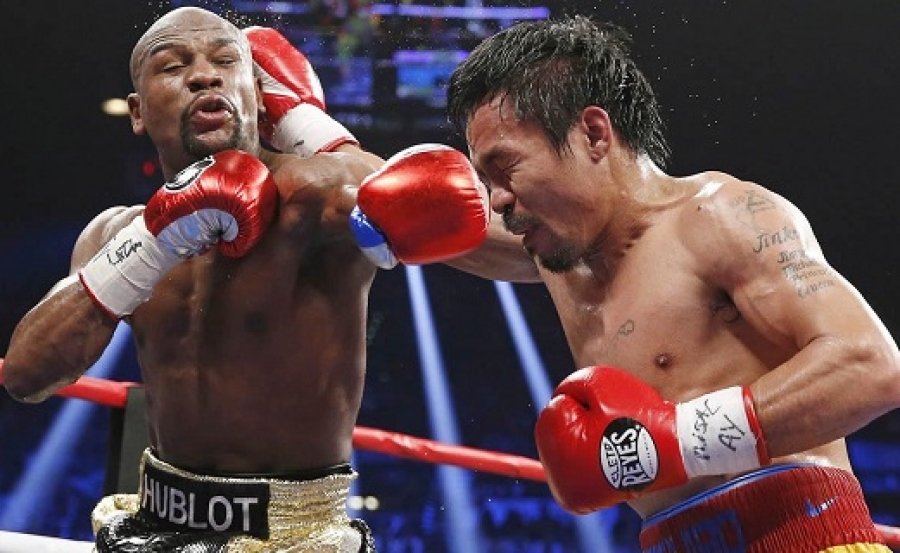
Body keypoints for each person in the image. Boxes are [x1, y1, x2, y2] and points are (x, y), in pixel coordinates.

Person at [2, 7, 488, 552]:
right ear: (138, 112)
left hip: (295, 537)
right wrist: (151, 245)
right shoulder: (115, 233)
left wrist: (306, 125)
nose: (203, 76)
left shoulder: (308, 198)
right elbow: (26, 375)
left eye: (225, 61)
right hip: (153, 521)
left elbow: (397, 197)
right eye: (173, 65)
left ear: (257, 94)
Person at [445, 15, 900, 552]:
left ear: (593, 134)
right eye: (486, 179)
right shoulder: (558, 250)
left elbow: (870, 364)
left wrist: (675, 441)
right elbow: (437, 222)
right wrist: (348, 161)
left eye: (506, 168)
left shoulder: (718, 218)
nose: (497, 198)